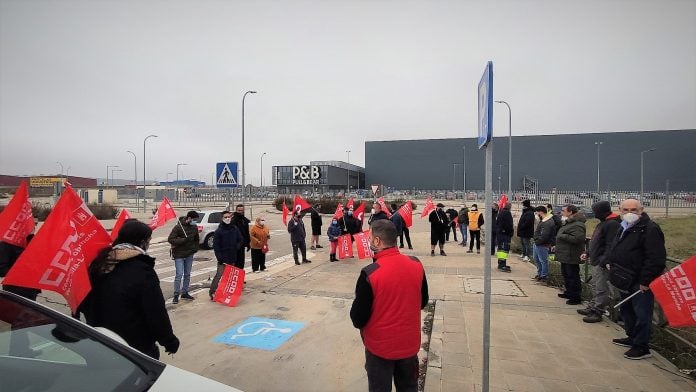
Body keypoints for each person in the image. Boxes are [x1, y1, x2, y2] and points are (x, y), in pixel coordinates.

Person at [79, 220, 179, 359]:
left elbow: (84, 300)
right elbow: (155, 311)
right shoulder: (142, 270)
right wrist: (169, 341)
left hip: (100, 341)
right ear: (142, 242)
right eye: (149, 240)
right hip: (133, 347)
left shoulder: (100, 262)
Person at [350, 220, 429, 392]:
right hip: (409, 346)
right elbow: (423, 301)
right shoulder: (416, 264)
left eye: (370, 237)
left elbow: (357, 318)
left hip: (380, 350)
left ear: (377, 241)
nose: (368, 240)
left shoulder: (370, 274)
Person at [607, 199, 666, 360]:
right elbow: (616, 247)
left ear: (641, 210)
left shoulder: (650, 229)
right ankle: (632, 337)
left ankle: (641, 346)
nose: (630, 213)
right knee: (627, 310)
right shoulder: (623, 226)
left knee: (642, 314)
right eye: (625, 210)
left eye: (634, 210)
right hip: (623, 277)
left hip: (639, 281)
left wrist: (646, 281)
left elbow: (655, 258)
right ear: (620, 211)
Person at [577, 201, 621, 323]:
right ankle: (593, 306)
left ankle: (598, 311)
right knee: (595, 285)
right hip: (596, 260)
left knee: (601, 288)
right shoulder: (603, 223)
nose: (594, 214)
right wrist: (588, 253)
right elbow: (597, 241)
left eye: (595, 211)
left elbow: (610, 245)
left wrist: (603, 260)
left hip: (602, 262)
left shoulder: (612, 224)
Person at [554, 204, 586, 305]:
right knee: (566, 274)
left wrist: (562, 236)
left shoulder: (578, 224)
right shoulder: (569, 223)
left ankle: (575, 296)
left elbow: (577, 239)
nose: (561, 213)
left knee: (573, 276)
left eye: (563, 211)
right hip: (565, 253)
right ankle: (568, 292)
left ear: (570, 212)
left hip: (571, 254)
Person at [167, 210, 200, 304]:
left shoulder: (194, 227)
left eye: (196, 220)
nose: (195, 221)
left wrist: (195, 249)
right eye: (194, 219)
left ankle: (185, 292)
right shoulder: (178, 227)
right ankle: (176, 294)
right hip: (179, 255)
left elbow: (196, 239)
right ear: (189, 218)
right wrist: (183, 240)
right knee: (179, 275)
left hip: (189, 254)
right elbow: (170, 239)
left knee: (187, 274)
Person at [210, 210, 242, 300]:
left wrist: (237, 247)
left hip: (232, 257)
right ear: (222, 218)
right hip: (222, 258)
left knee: (229, 277)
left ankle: (226, 292)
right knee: (219, 275)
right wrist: (220, 258)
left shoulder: (234, 228)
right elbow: (216, 246)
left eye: (229, 217)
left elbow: (240, 239)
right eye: (226, 217)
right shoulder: (219, 231)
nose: (228, 218)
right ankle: (213, 292)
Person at [1, 234, 40, 300]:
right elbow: (1, 269)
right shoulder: (7, 243)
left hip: (32, 290)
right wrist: (21, 274)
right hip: (14, 292)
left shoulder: (36, 240)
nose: (33, 227)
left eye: (35, 224)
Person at [532, 205, 556, 283]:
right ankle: (540, 274)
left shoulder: (548, 222)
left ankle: (544, 276)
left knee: (543, 260)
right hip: (538, 243)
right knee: (536, 259)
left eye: (537, 212)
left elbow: (544, 235)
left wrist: (538, 241)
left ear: (541, 212)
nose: (537, 214)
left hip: (542, 244)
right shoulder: (544, 221)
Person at [231, 204, 251, 269]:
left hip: (242, 245)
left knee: (241, 263)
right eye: (239, 210)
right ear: (236, 210)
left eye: (241, 210)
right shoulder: (233, 220)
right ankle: (235, 278)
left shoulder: (244, 220)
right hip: (235, 246)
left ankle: (239, 278)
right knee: (236, 263)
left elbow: (246, 232)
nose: (240, 212)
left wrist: (248, 243)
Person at [495, 202, 513, 272]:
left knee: (501, 250)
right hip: (505, 234)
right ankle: (502, 265)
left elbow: (498, 223)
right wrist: (510, 232)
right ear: (509, 207)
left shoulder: (501, 212)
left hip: (500, 234)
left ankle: (501, 263)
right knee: (504, 250)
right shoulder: (507, 213)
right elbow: (508, 224)